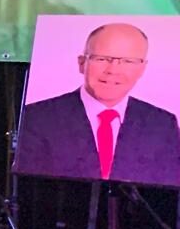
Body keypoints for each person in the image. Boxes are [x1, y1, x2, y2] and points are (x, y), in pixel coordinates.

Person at [14, 22, 180, 185]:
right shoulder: (36, 118)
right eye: (102, 59)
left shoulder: (163, 124)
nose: (113, 70)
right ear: (81, 63)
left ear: (142, 68)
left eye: (128, 61)